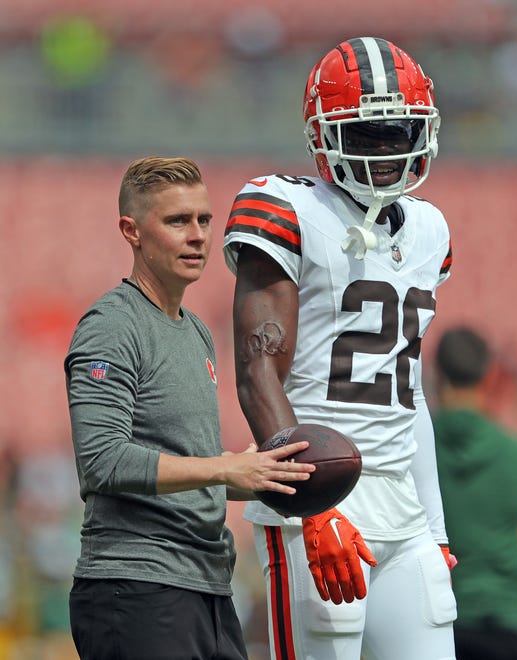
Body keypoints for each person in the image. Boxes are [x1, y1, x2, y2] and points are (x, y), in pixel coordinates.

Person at [223, 37, 457, 660]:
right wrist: (313, 506)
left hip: (403, 506)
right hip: (319, 494)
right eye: (368, 133)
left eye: (399, 130)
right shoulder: (287, 205)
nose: (386, 150)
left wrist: (434, 528)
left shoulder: (431, 229)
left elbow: (410, 398)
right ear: (323, 135)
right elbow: (256, 370)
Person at [63, 156, 316, 660]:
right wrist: (225, 468)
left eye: (204, 219)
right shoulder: (112, 325)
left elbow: (182, 458)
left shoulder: (196, 329)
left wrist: (246, 473)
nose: (198, 235)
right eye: (178, 221)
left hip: (206, 583)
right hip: (136, 585)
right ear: (131, 231)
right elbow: (103, 460)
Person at [433, 327, 517, 660]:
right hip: (503, 618)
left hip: (435, 617)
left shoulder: (414, 447)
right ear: (488, 374)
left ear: (437, 374)